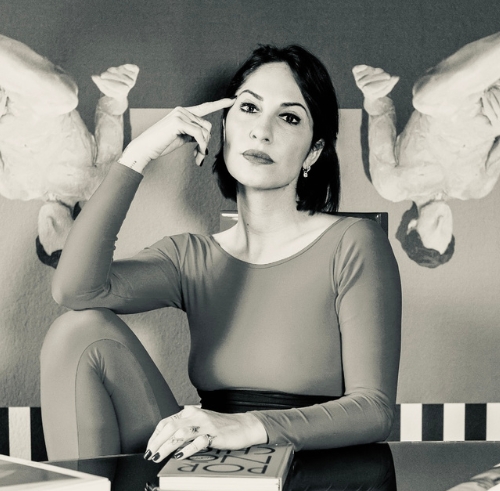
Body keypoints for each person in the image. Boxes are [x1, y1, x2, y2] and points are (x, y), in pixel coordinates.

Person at [40, 45, 402, 462]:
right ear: (225, 127)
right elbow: (74, 291)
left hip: (309, 473)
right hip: (208, 464)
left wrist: (247, 427)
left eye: (288, 117)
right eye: (248, 108)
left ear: (314, 151)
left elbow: (374, 410)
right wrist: (138, 154)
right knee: (77, 331)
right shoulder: (191, 257)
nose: (261, 131)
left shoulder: (354, 242)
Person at [352, 31, 500, 268]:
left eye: (434, 227)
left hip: (446, 98)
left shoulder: (393, 185)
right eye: (448, 231)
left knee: (424, 99)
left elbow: (381, 112)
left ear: (412, 225)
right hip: (494, 102)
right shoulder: (476, 187)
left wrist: (372, 91)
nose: (444, 222)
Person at [0, 33, 138, 266]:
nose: (51, 226)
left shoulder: (13, 188)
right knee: (64, 97)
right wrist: (117, 92)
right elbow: (110, 114)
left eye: (44, 236)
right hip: (46, 99)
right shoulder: (94, 182)